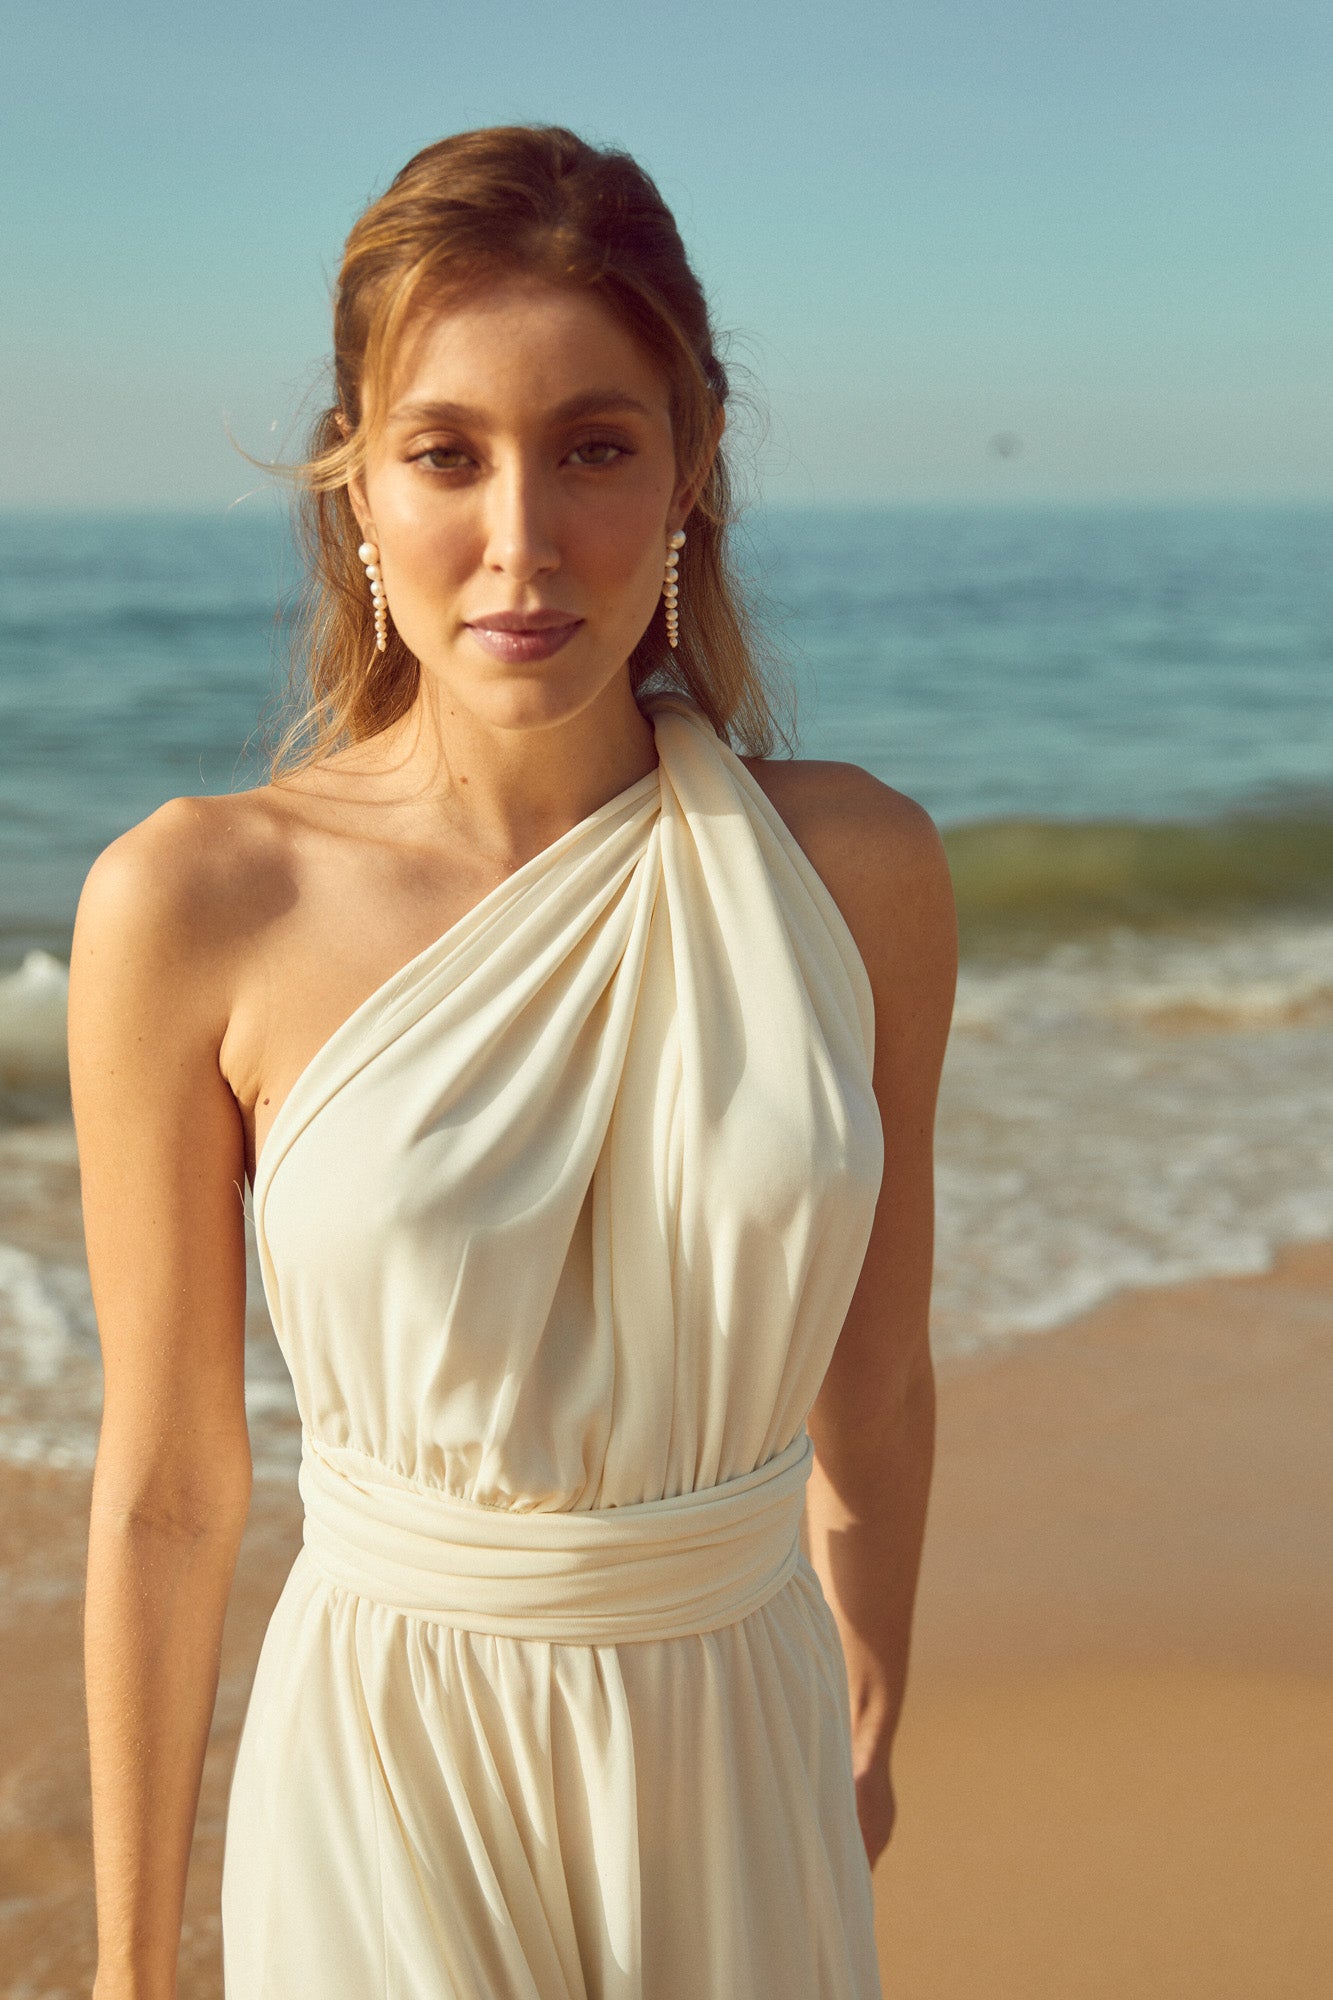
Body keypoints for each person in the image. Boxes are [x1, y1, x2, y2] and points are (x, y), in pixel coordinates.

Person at [70, 125, 956, 1998]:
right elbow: (166, 1488)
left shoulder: (855, 874)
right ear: (356, 483)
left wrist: (873, 1692)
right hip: (386, 1761)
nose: (524, 538)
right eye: (447, 451)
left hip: (744, 1733)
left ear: (691, 469)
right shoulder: (195, 902)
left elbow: (874, 1376)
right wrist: (134, 1964)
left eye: (595, 448)